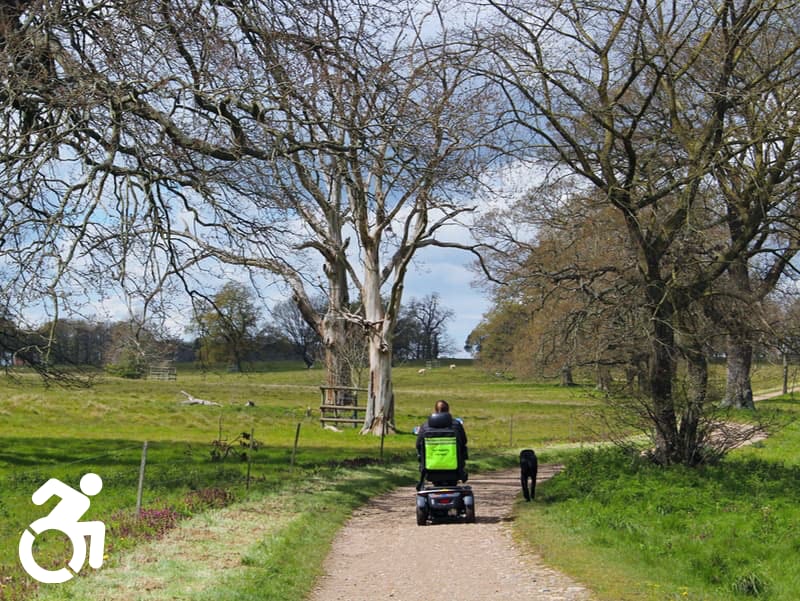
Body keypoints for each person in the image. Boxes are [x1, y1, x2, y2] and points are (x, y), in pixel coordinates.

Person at [416, 399, 468, 472]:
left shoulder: (425, 426)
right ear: (448, 410)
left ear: (436, 410)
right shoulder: (456, 425)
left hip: (430, 464)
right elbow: (464, 441)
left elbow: (418, 444)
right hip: (454, 464)